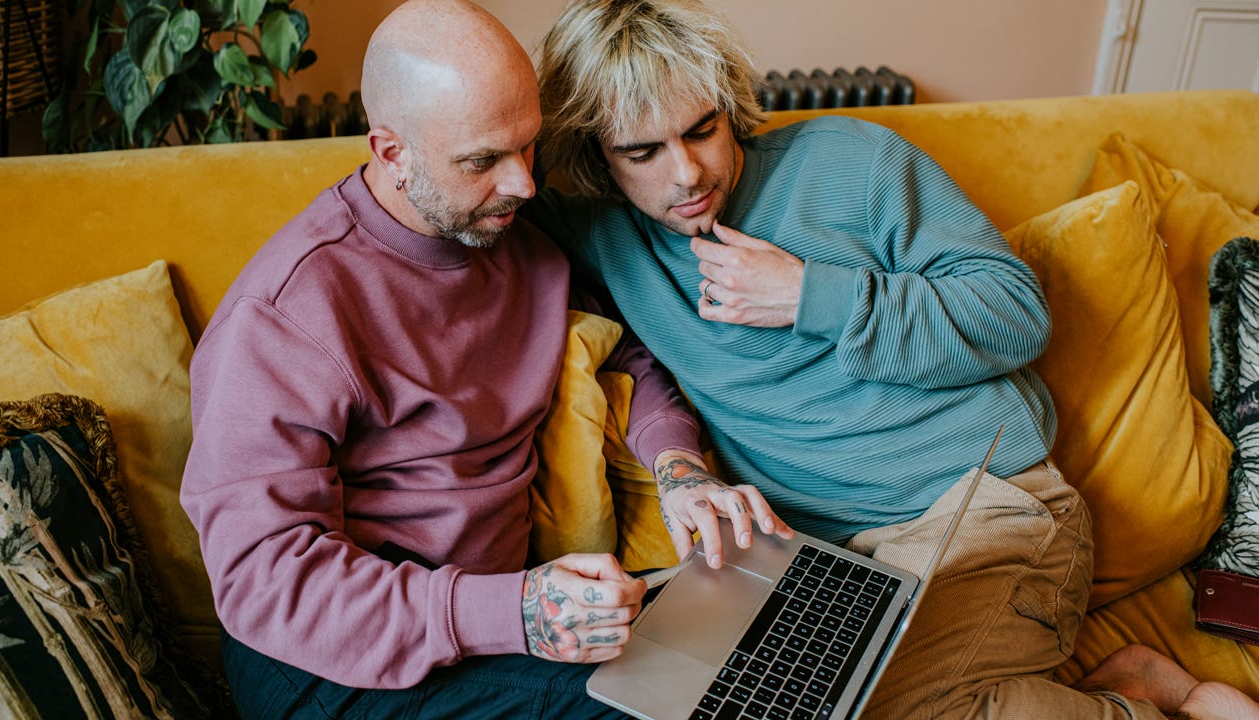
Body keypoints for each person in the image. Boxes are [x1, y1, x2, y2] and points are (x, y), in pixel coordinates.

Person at [527, 0, 1259, 718]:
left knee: (880, 707)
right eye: (642, 151)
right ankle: (1127, 684)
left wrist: (813, 295)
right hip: (816, 559)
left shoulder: (852, 161)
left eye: (701, 130)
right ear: (596, 155)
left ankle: (1161, 704)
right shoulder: (599, 232)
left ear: (727, 106)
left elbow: (1016, 315)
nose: (686, 173)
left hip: (986, 505)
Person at [179, 1, 792, 717]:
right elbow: (267, 582)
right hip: (333, 661)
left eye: (527, 146)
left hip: (498, 626)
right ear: (392, 153)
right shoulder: (288, 312)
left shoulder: (514, 238)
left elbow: (624, 357)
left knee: (769, 649)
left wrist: (677, 469)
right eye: (484, 161)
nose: (524, 185)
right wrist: (516, 609)